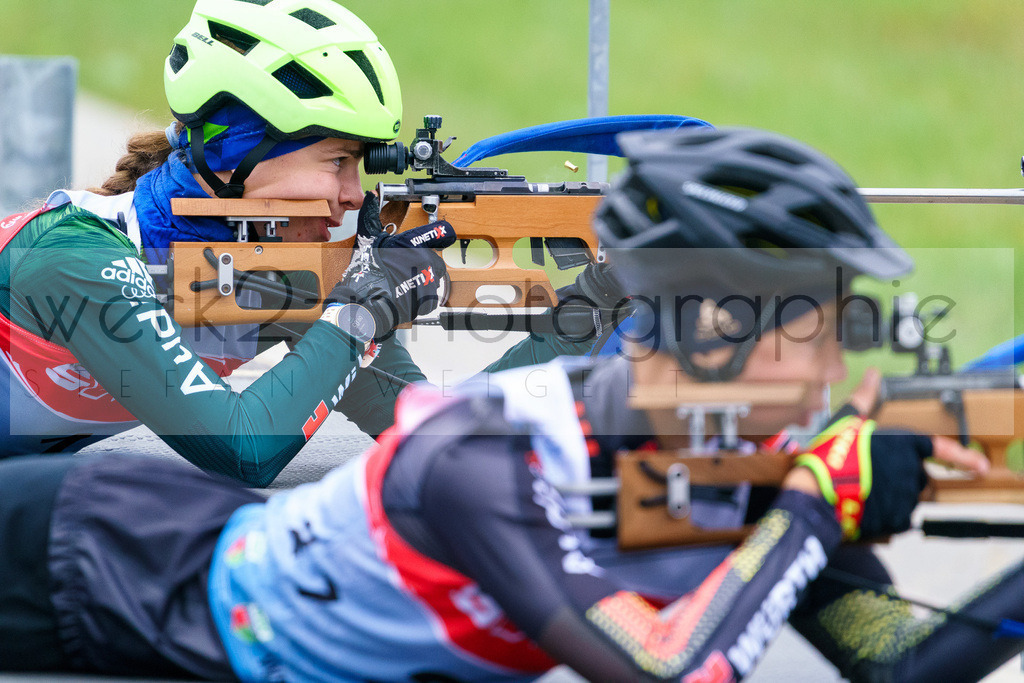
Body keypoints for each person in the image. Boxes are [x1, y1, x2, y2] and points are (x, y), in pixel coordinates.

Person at [1, 126, 1017, 682]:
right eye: (824, 327)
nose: (842, 362)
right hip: (89, 566)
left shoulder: (751, 461)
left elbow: (898, 659)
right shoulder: (486, 455)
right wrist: (809, 510)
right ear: (715, 328)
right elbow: (665, 667)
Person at [0, 0, 596, 485]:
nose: (355, 195)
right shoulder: (74, 254)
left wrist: (595, 307)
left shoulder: (273, 265)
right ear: (237, 151)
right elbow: (242, 450)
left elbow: (436, 435)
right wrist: (362, 312)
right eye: (337, 161)